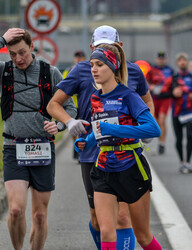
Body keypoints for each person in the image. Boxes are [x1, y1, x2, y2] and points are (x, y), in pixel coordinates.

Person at [47, 25, 154, 250]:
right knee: (98, 220)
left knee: (123, 219)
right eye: (97, 51)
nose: (96, 68)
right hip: (93, 155)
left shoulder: (132, 75)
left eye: (109, 49)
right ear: (90, 49)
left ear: (119, 50)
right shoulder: (82, 73)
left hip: (126, 153)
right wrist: (71, 123)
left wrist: (143, 128)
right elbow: (54, 104)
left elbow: (146, 102)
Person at [75, 43, 162, 249]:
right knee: (106, 232)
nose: (94, 70)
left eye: (99, 65)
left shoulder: (129, 96)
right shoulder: (95, 97)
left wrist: (115, 130)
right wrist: (85, 142)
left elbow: (153, 129)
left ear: (112, 67)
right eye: (92, 65)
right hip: (104, 167)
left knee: (143, 236)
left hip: (131, 168)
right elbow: (99, 129)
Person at [0, 28, 77, 250]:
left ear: (32, 47)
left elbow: (69, 107)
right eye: (12, 53)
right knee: (15, 210)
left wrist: (60, 125)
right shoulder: (4, 71)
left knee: (40, 215)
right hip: (13, 147)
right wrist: (1, 40)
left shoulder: (50, 72)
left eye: (22, 52)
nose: (18, 58)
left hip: (43, 148)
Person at [172, 52, 192, 174]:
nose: (182, 62)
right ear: (177, 63)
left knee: (189, 136)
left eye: (184, 60)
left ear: (187, 62)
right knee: (179, 139)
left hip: (190, 111)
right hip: (177, 112)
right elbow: (167, 93)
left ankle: (188, 163)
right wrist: (174, 93)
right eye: (180, 60)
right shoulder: (174, 77)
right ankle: (181, 162)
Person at [146, 51, 173, 154]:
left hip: (165, 99)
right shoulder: (152, 70)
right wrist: (150, 86)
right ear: (156, 59)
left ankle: (162, 143)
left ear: (165, 59)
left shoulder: (170, 70)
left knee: (162, 120)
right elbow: (146, 82)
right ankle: (160, 141)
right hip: (154, 98)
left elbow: (174, 82)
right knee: (156, 121)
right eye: (159, 59)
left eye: (163, 59)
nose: (161, 60)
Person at [62, 50, 86, 161]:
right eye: (77, 57)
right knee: (73, 128)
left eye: (81, 57)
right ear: (74, 59)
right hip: (72, 105)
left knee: (84, 127)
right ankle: (75, 145)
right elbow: (63, 84)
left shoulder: (88, 70)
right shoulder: (69, 70)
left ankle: (82, 147)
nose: (79, 59)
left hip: (84, 104)